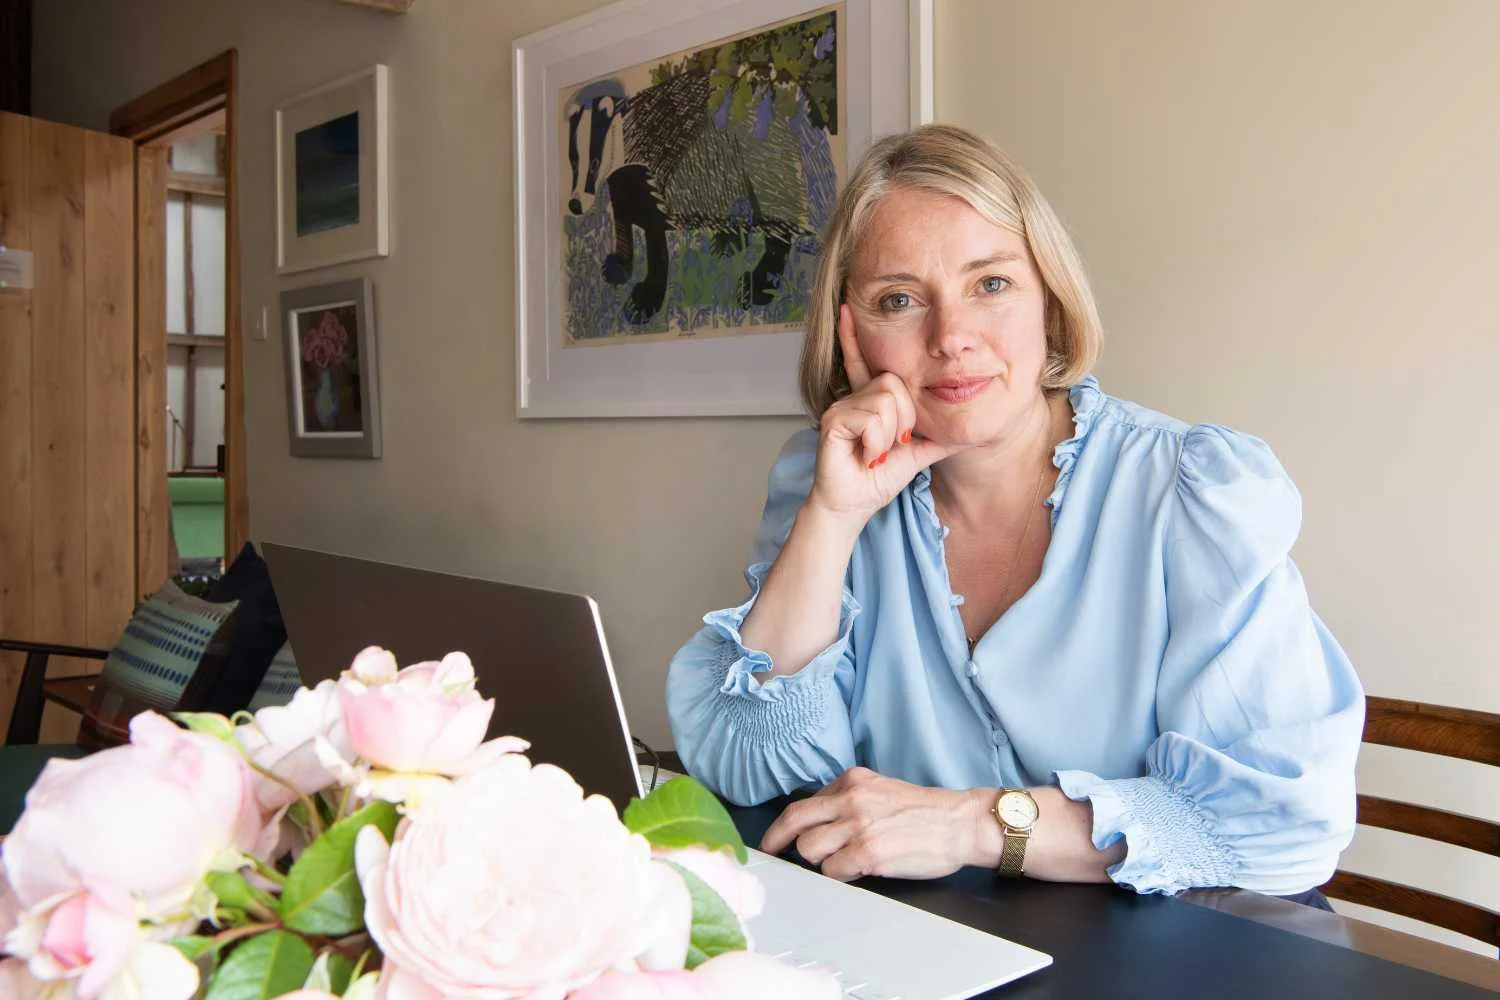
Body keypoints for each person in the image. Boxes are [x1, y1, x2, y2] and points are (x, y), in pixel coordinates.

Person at [665, 124, 1364, 900]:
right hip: (926, 950)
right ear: (851, 332)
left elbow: (1285, 824)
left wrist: (971, 824)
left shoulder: (1185, 491)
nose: (952, 338)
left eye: (990, 284)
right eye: (899, 300)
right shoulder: (826, 482)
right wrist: (832, 518)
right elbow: (753, 767)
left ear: (1049, 304)